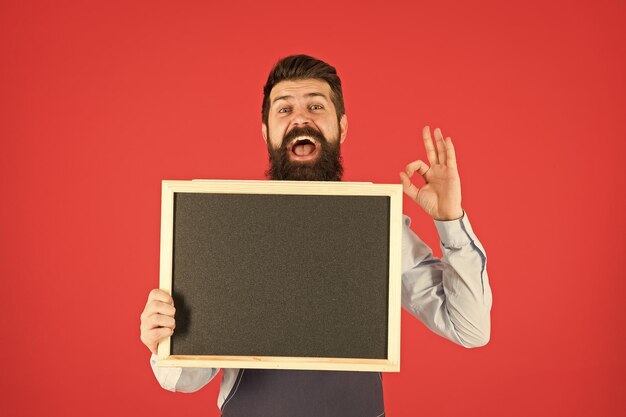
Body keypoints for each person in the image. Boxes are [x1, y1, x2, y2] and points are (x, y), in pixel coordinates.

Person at [140, 54, 492, 417]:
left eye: (315, 105)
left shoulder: (379, 226)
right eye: (284, 109)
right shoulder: (225, 230)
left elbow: (470, 327)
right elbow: (185, 379)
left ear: (342, 126)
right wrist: (163, 338)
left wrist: (451, 219)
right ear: (266, 132)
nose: (300, 118)